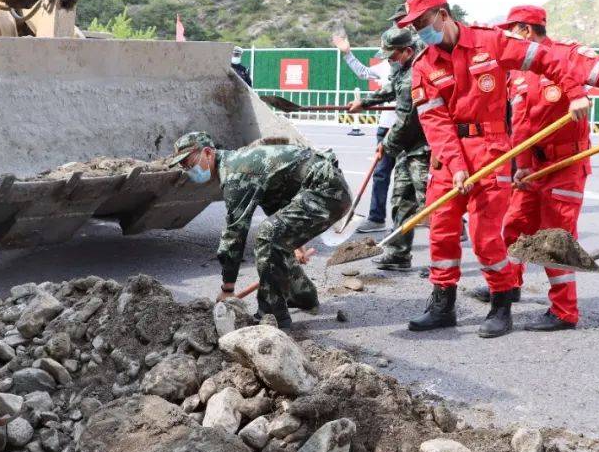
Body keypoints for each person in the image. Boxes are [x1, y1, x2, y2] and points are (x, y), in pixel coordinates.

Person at [396, 0, 599, 336]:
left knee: (486, 237)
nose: (420, 30)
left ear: (443, 15)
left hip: (491, 149)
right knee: (442, 231)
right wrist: (456, 165)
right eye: (415, 25)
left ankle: (501, 304)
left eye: (423, 22)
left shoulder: (490, 43)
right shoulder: (424, 66)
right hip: (447, 156)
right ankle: (442, 303)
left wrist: (575, 93)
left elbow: (547, 59)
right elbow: (434, 122)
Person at [498, 6, 599, 331]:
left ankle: (564, 311)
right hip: (532, 164)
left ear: (525, 30)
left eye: (510, 31)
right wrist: (521, 166)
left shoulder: (569, 55)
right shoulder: (519, 68)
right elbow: (522, 124)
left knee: (554, 237)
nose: (506, 39)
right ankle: (509, 286)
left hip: (565, 163)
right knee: (514, 226)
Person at [168, 132, 350, 329]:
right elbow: (276, 200)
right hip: (323, 189)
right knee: (276, 240)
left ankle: (271, 316)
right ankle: (303, 296)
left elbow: (234, 233)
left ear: (208, 152)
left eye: (189, 162)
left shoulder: (236, 174)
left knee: (267, 237)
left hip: (328, 191)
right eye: (184, 166)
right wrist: (295, 243)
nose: (188, 169)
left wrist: (227, 288)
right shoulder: (236, 164)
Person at [346, 28, 429, 271]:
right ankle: (398, 254)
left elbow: (406, 120)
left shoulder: (417, 73)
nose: (390, 60)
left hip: (425, 148)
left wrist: (387, 145)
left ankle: (444, 264)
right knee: (401, 199)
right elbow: (391, 87)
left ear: (408, 51)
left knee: (432, 205)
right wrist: (364, 103)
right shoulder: (403, 68)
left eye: (392, 56)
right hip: (408, 147)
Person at [332, 32, 395, 233]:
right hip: (386, 127)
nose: (389, 58)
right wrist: (348, 54)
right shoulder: (385, 67)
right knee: (381, 173)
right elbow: (363, 73)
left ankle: (446, 222)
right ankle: (377, 218)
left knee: (416, 176)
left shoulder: (415, 68)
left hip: (410, 128)